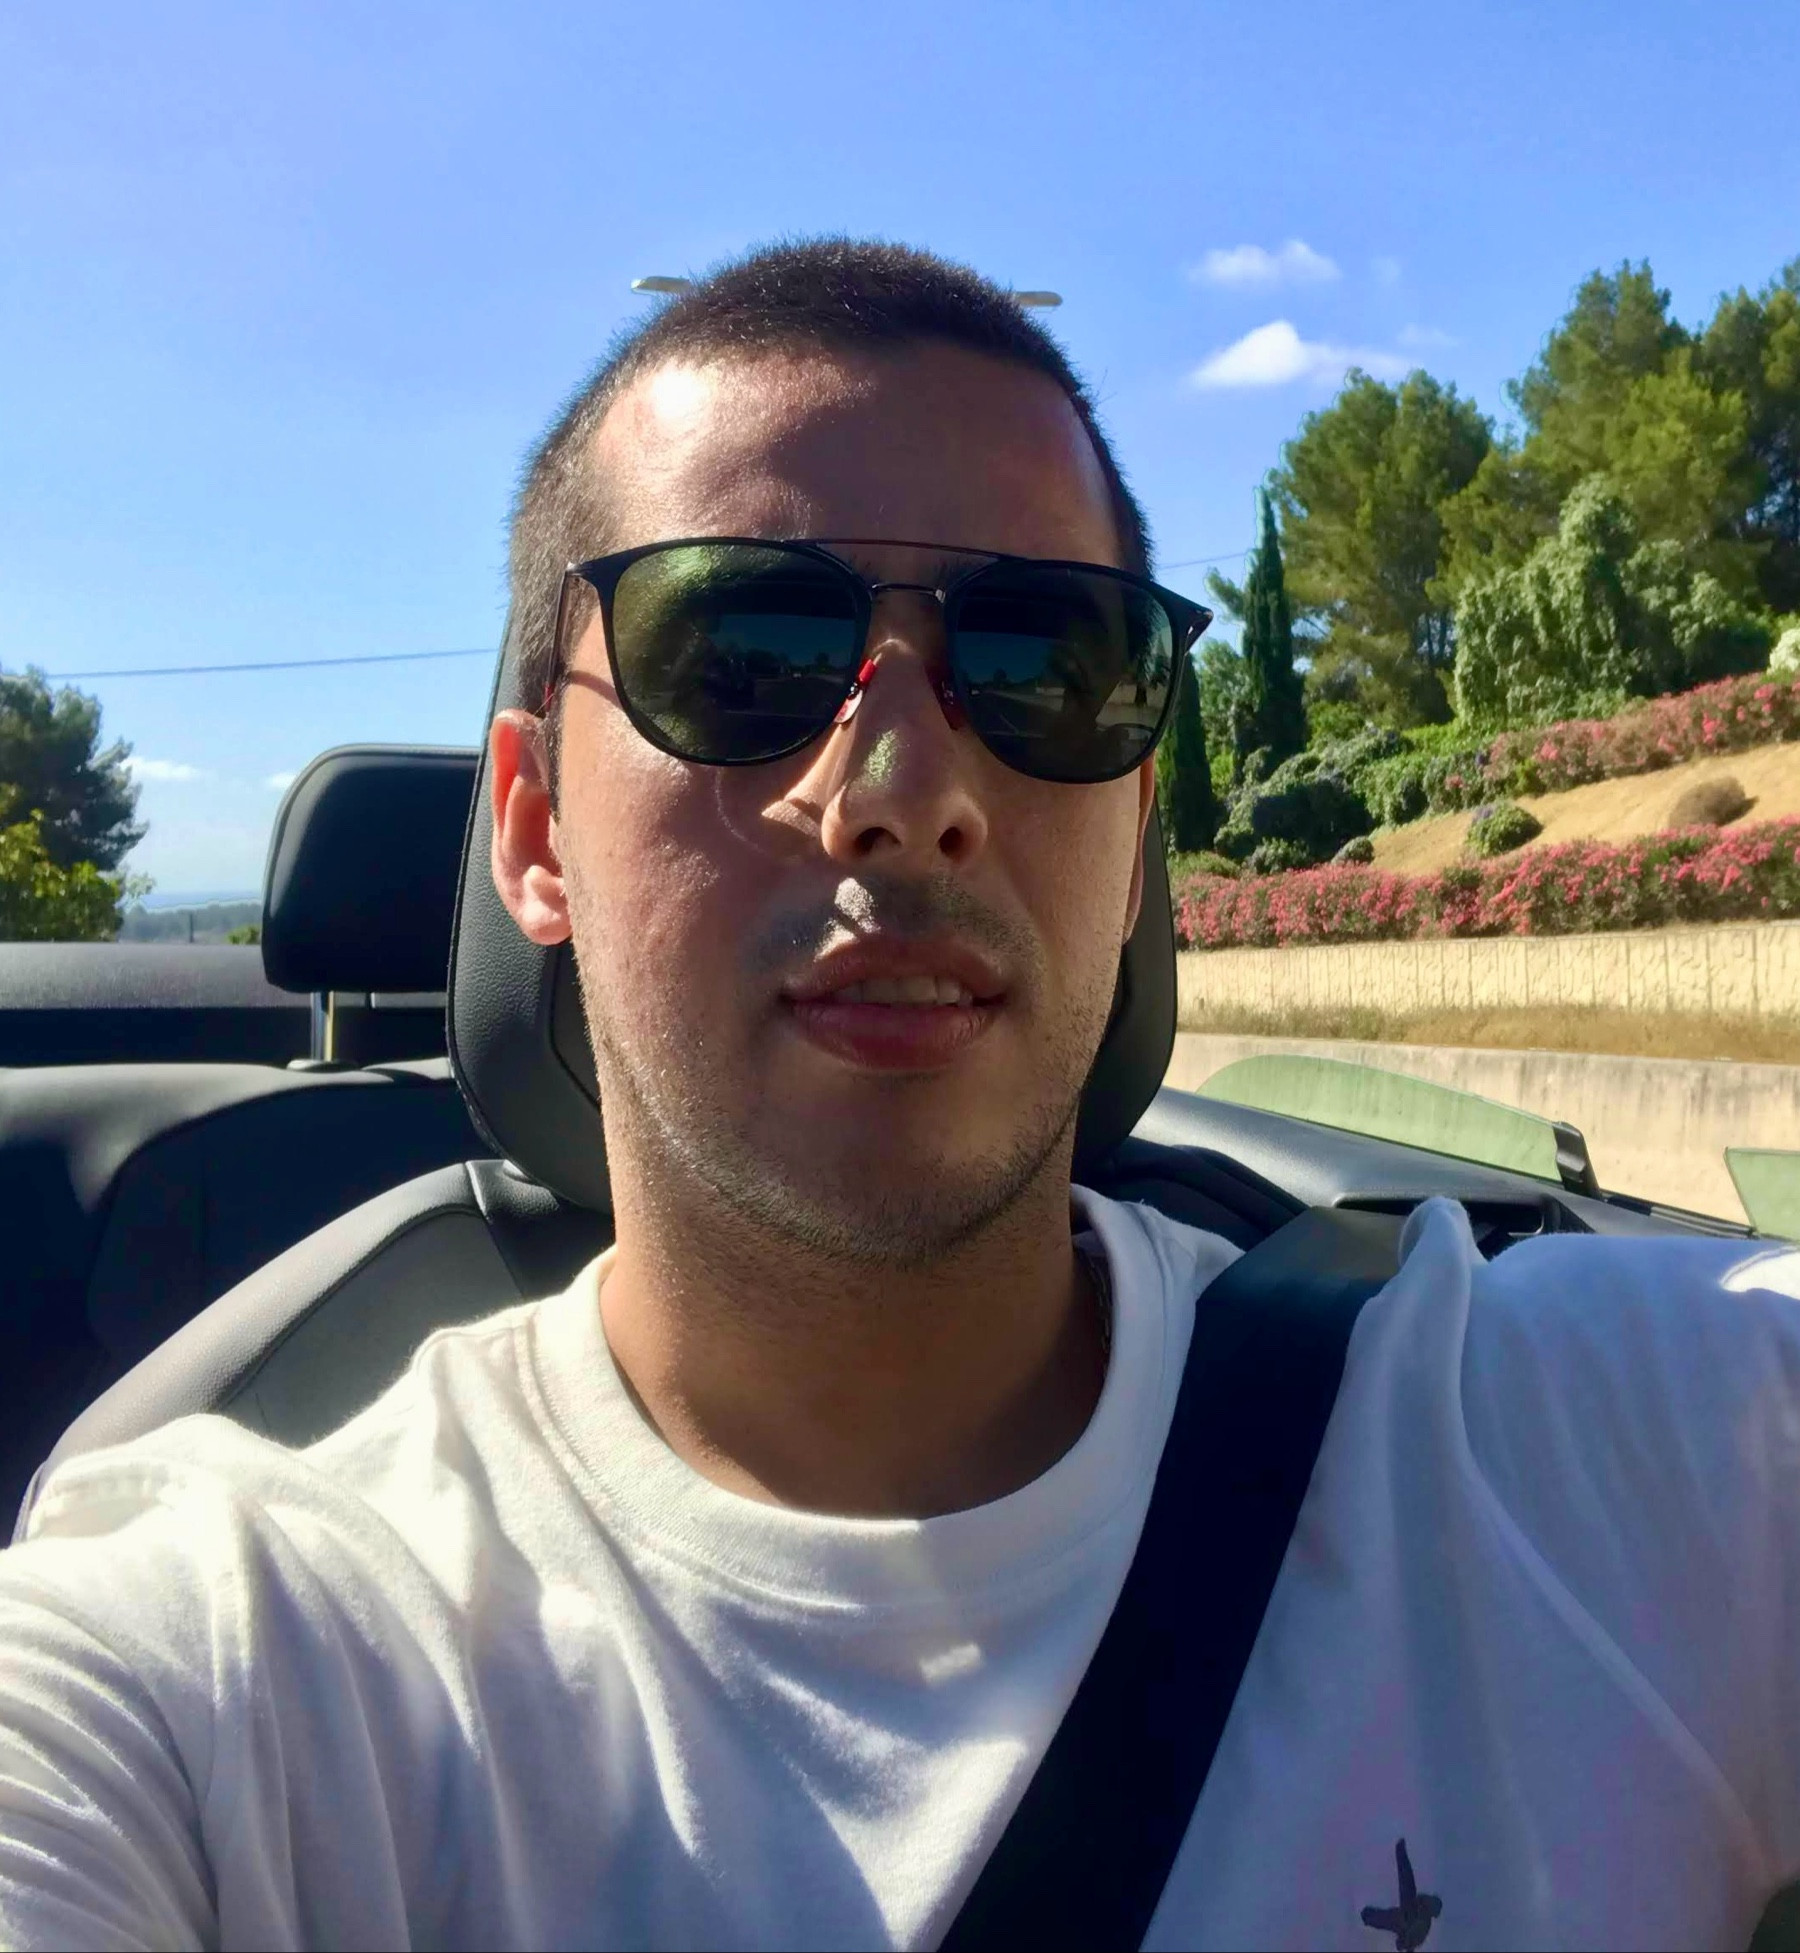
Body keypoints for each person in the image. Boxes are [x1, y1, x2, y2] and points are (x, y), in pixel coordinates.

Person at [2, 239, 1800, 1952]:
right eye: (745, 656)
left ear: (1138, 832)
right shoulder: (227, 1665)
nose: (904, 788)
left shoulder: (1597, 1446)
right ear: (535, 829)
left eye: (1045, 663)